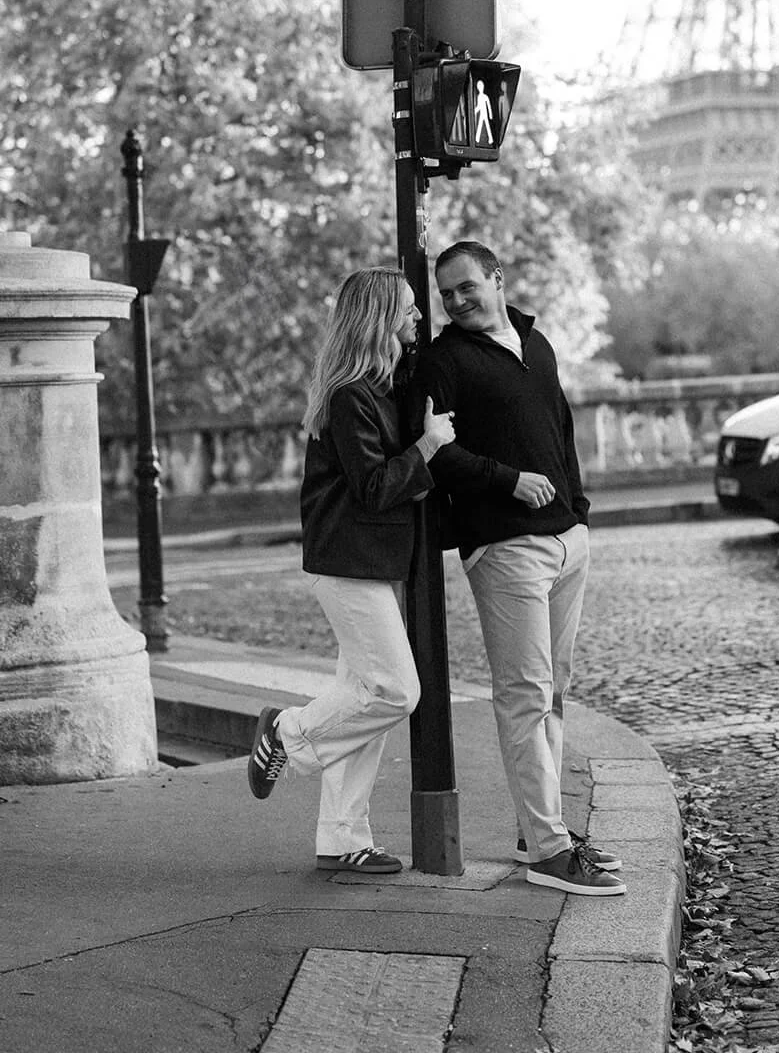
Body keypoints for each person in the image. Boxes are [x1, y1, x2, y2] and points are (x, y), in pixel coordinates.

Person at [412, 241, 625, 897]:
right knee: (525, 694)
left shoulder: (537, 343)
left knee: (551, 690)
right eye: (445, 293)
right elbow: (432, 453)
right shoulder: (442, 361)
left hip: (566, 542)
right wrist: (508, 482)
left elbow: (560, 433)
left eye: (466, 287)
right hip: (504, 549)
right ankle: (548, 850)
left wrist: (578, 512)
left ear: (497, 279)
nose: (454, 301)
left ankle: (540, 827)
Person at [247, 267, 455, 875]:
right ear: (380, 318)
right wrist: (428, 446)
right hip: (348, 564)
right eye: (410, 309)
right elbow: (372, 488)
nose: (419, 318)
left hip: (374, 563)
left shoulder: (379, 387)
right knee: (396, 691)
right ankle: (284, 734)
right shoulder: (350, 397)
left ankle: (342, 838)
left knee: (361, 697)